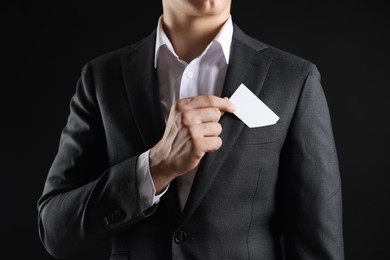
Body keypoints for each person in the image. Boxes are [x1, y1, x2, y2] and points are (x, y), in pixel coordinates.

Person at [37, 0, 344, 259]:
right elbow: (55, 229)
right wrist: (154, 167)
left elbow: (318, 244)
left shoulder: (293, 79)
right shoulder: (102, 79)